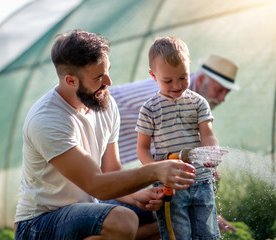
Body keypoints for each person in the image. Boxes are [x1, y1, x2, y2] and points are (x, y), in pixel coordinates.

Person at [14, 29, 197, 240]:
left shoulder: (104, 103)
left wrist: (137, 196)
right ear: (71, 81)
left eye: (108, 70)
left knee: (168, 209)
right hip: (39, 223)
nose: (108, 81)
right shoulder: (47, 120)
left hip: (89, 207)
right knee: (122, 221)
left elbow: (111, 170)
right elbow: (97, 184)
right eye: (99, 77)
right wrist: (154, 171)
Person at [109, 54, 239, 234]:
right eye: (219, 90)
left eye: (227, 92)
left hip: (112, 169)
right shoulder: (163, 98)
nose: (223, 98)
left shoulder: (194, 102)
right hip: (93, 168)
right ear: (201, 80)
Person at [135, 36, 221, 239]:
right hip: (171, 186)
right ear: (153, 76)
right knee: (178, 235)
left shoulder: (198, 102)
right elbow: (143, 148)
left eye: (183, 77)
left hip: (202, 182)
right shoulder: (149, 109)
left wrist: (212, 152)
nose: (177, 85)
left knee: (209, 234)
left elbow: (207, 134)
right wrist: (156, 172)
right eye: (168, 80)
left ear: (189, 68)